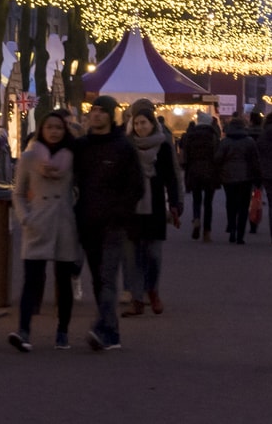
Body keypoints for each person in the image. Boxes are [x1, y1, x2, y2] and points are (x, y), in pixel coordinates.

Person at [73, 95, 143, 351]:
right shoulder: (82, 147)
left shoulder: (123, 147)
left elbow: (136, 186)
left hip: (113, 224)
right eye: (94, 110)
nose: (97, 115)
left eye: (103, 111)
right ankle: (112, 333)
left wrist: (121, 213)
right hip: (87, 221)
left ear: (112, 115)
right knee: (98, 280)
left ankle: (102, 328)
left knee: (107, 277)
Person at [8, 110, 81, 352]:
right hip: (38, 222)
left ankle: (62, 332)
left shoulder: (72, 156)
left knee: (63, 280)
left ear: (65, 131)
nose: (54, 131)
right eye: (49, 127)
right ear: (41, 129)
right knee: (32, 280)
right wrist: (25, 217)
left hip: (64, 223)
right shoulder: (29, 157)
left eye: (58, 128)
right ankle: (24, 331)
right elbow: (18, 192)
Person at [122, 105, 182, 315]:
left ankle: (153, 292)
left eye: (143, 123)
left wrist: (175, 203)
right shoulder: (127, 147)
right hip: (132, 209)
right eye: (136, 123)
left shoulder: (163, 147)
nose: (140, 127)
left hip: (156, 207)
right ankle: (137, 299)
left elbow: (171, 177)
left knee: (153, 255)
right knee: (132, 257)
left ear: (152, 124)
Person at [215, 115, 261, 245]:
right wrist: (257, 177)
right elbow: (255, 160)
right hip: (246, 177)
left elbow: (218, 158)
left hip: (228, 177)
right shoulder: (249, 141)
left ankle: (232, 228)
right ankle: (240, 234)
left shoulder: (225, 142)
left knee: (231, 203)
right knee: (243, 206)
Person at [179, 112, 220, 242]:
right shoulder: (213, 136)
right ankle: (207, 232)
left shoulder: (191, 136)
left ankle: (196, 219)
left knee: (196, 199)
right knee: (208, 203)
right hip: (210, 171)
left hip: (194, 170)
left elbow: (186, 155)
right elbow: (217, 155)